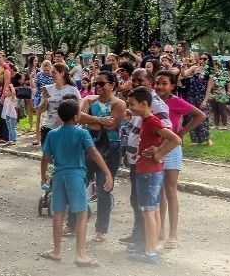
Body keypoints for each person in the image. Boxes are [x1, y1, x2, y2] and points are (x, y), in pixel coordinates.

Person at [40, 99, 113, 268]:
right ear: (76, 116)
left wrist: (43, 176)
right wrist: (107, 172)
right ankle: (80, 255)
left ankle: (56, 251)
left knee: (58, 214)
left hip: (58, 176)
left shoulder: (52, 134)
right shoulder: (82, 133)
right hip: (76, 176)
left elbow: (45, 158)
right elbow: (93, 152)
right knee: (82, 214)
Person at [126, 86, 182, 264]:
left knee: (148, 212)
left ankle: (149, 252)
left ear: (144, 104)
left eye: (132, 104)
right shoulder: (146, 120)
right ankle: (152, 247)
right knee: (154, 210)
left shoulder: (152, 121)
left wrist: (159, 153)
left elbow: (176, 139)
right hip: (150, 171)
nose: (130, 108)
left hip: (148, 172)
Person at [119, 68, 173, 250]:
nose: (136, 83)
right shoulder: (137, 103)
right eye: (133, 80)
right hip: (136, 159)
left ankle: (146, 241)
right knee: (137, 200)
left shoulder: (154, 105)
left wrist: (159, 151)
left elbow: (168, 130)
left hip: (148, 164)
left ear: (150, 81)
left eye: (140, 80)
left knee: (147, 204)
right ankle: (139, 234)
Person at [154, 70, 205, 249]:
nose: (159, 86)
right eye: (157, 82)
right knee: (158, 190)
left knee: (170, 190)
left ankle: (173, 234)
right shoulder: (152, 101)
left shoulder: (176, 102)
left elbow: (200, 115)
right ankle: (159, 229)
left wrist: (182, 132)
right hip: (156, 148)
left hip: (172, 149)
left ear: (172, 86)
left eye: (164, 83)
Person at [73, 71, 125, 242]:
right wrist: (100, 120)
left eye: (102, 84)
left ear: (112, 85)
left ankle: (101, 229)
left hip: (110, 149)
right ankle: (72, 222)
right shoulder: (89, 99)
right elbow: (78, 117)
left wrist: (92, 121)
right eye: (96, 83)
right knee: (80, 185)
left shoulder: (119, 103)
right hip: (89, 147)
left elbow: (112, 125)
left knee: (104, 189)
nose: (98, 87)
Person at [35, 62, 80, 146]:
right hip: (48, 128)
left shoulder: (73, 90)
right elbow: (40, 110)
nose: (51, 75)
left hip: (66, 129)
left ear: (62, 73)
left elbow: (77, 111)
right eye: (51, 72)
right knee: (47, 157)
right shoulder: (48, 89)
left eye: (54, 72)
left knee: (61, 157)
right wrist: (44, 100)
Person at [181, 53, 215, 146]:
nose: (202, 60)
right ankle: (195, 139)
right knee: (192, 117)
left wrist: (205, 100)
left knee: (204, 117)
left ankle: (206, 138)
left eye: (205, 59)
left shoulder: (210, 72)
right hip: (192, 96)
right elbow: (184, 74)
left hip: (202, 96)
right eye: (201, 58)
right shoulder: (194, 68)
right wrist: (183, 67)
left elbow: (209, 88)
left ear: (208, 60)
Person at [32, 60, 54, 145]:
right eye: (44, 70)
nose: (45, 72)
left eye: (47, 70)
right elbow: (35, 85)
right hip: (39, 96)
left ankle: (48, 138)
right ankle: (38, 138)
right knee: (38, 119)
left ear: (50, 68)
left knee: (49, 118)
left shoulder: (53, 75)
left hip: (50, 97)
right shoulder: (39, 75)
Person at [0, 77, 18, 145]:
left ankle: (14, 139)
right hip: (7, 115)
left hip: (12, 115)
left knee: (12, 127)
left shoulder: (12, 98)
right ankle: (10, 139)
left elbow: (13, 93)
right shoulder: (6, 98)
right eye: (5, 91)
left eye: (7, 91)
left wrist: (11, 86)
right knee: (9, 127)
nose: (6, 92)